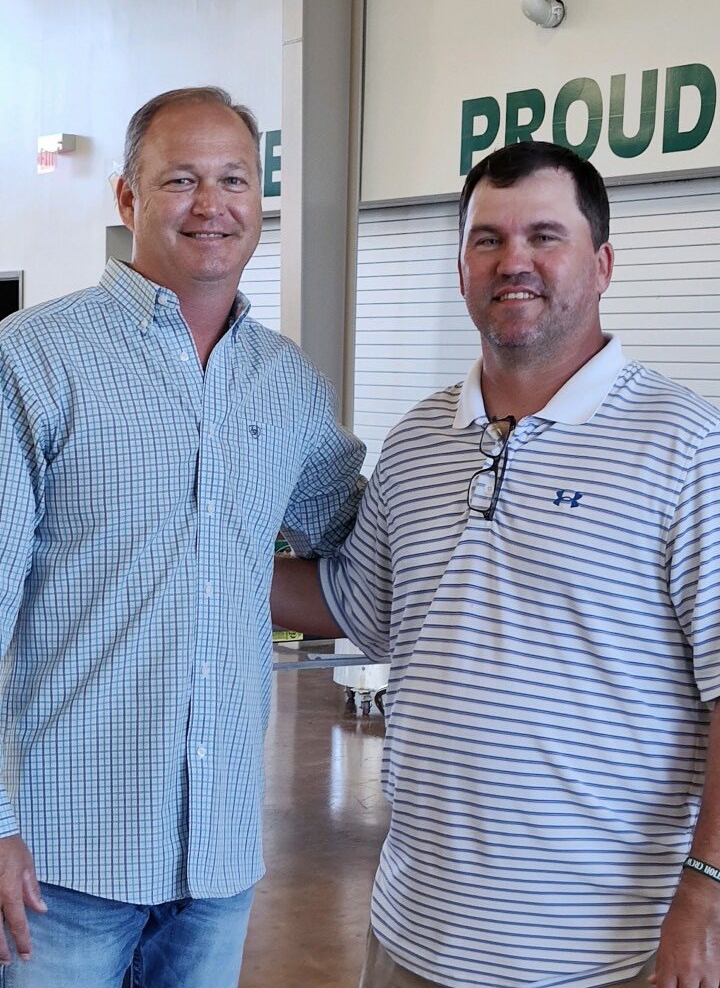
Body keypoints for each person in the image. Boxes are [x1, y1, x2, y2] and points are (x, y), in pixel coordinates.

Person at [272, 140, 720, 988]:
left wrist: (710, 894)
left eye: (545, 236)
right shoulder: (416, 443)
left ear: (604, 263)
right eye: (488, 239)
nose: (514, 261)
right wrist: (187, 551)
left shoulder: (686, 446)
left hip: (608, 953)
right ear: (462, 266)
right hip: (416, 938)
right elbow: (355, 603)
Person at [0, 86, 364, 988]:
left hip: (217, 863)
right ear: (128, 198)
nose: (211, 205)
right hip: (60, 864)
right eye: (180, 179)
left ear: (261, 200)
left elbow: (359, 533)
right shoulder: (30, 361)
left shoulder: (284, 383)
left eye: (235, 180)